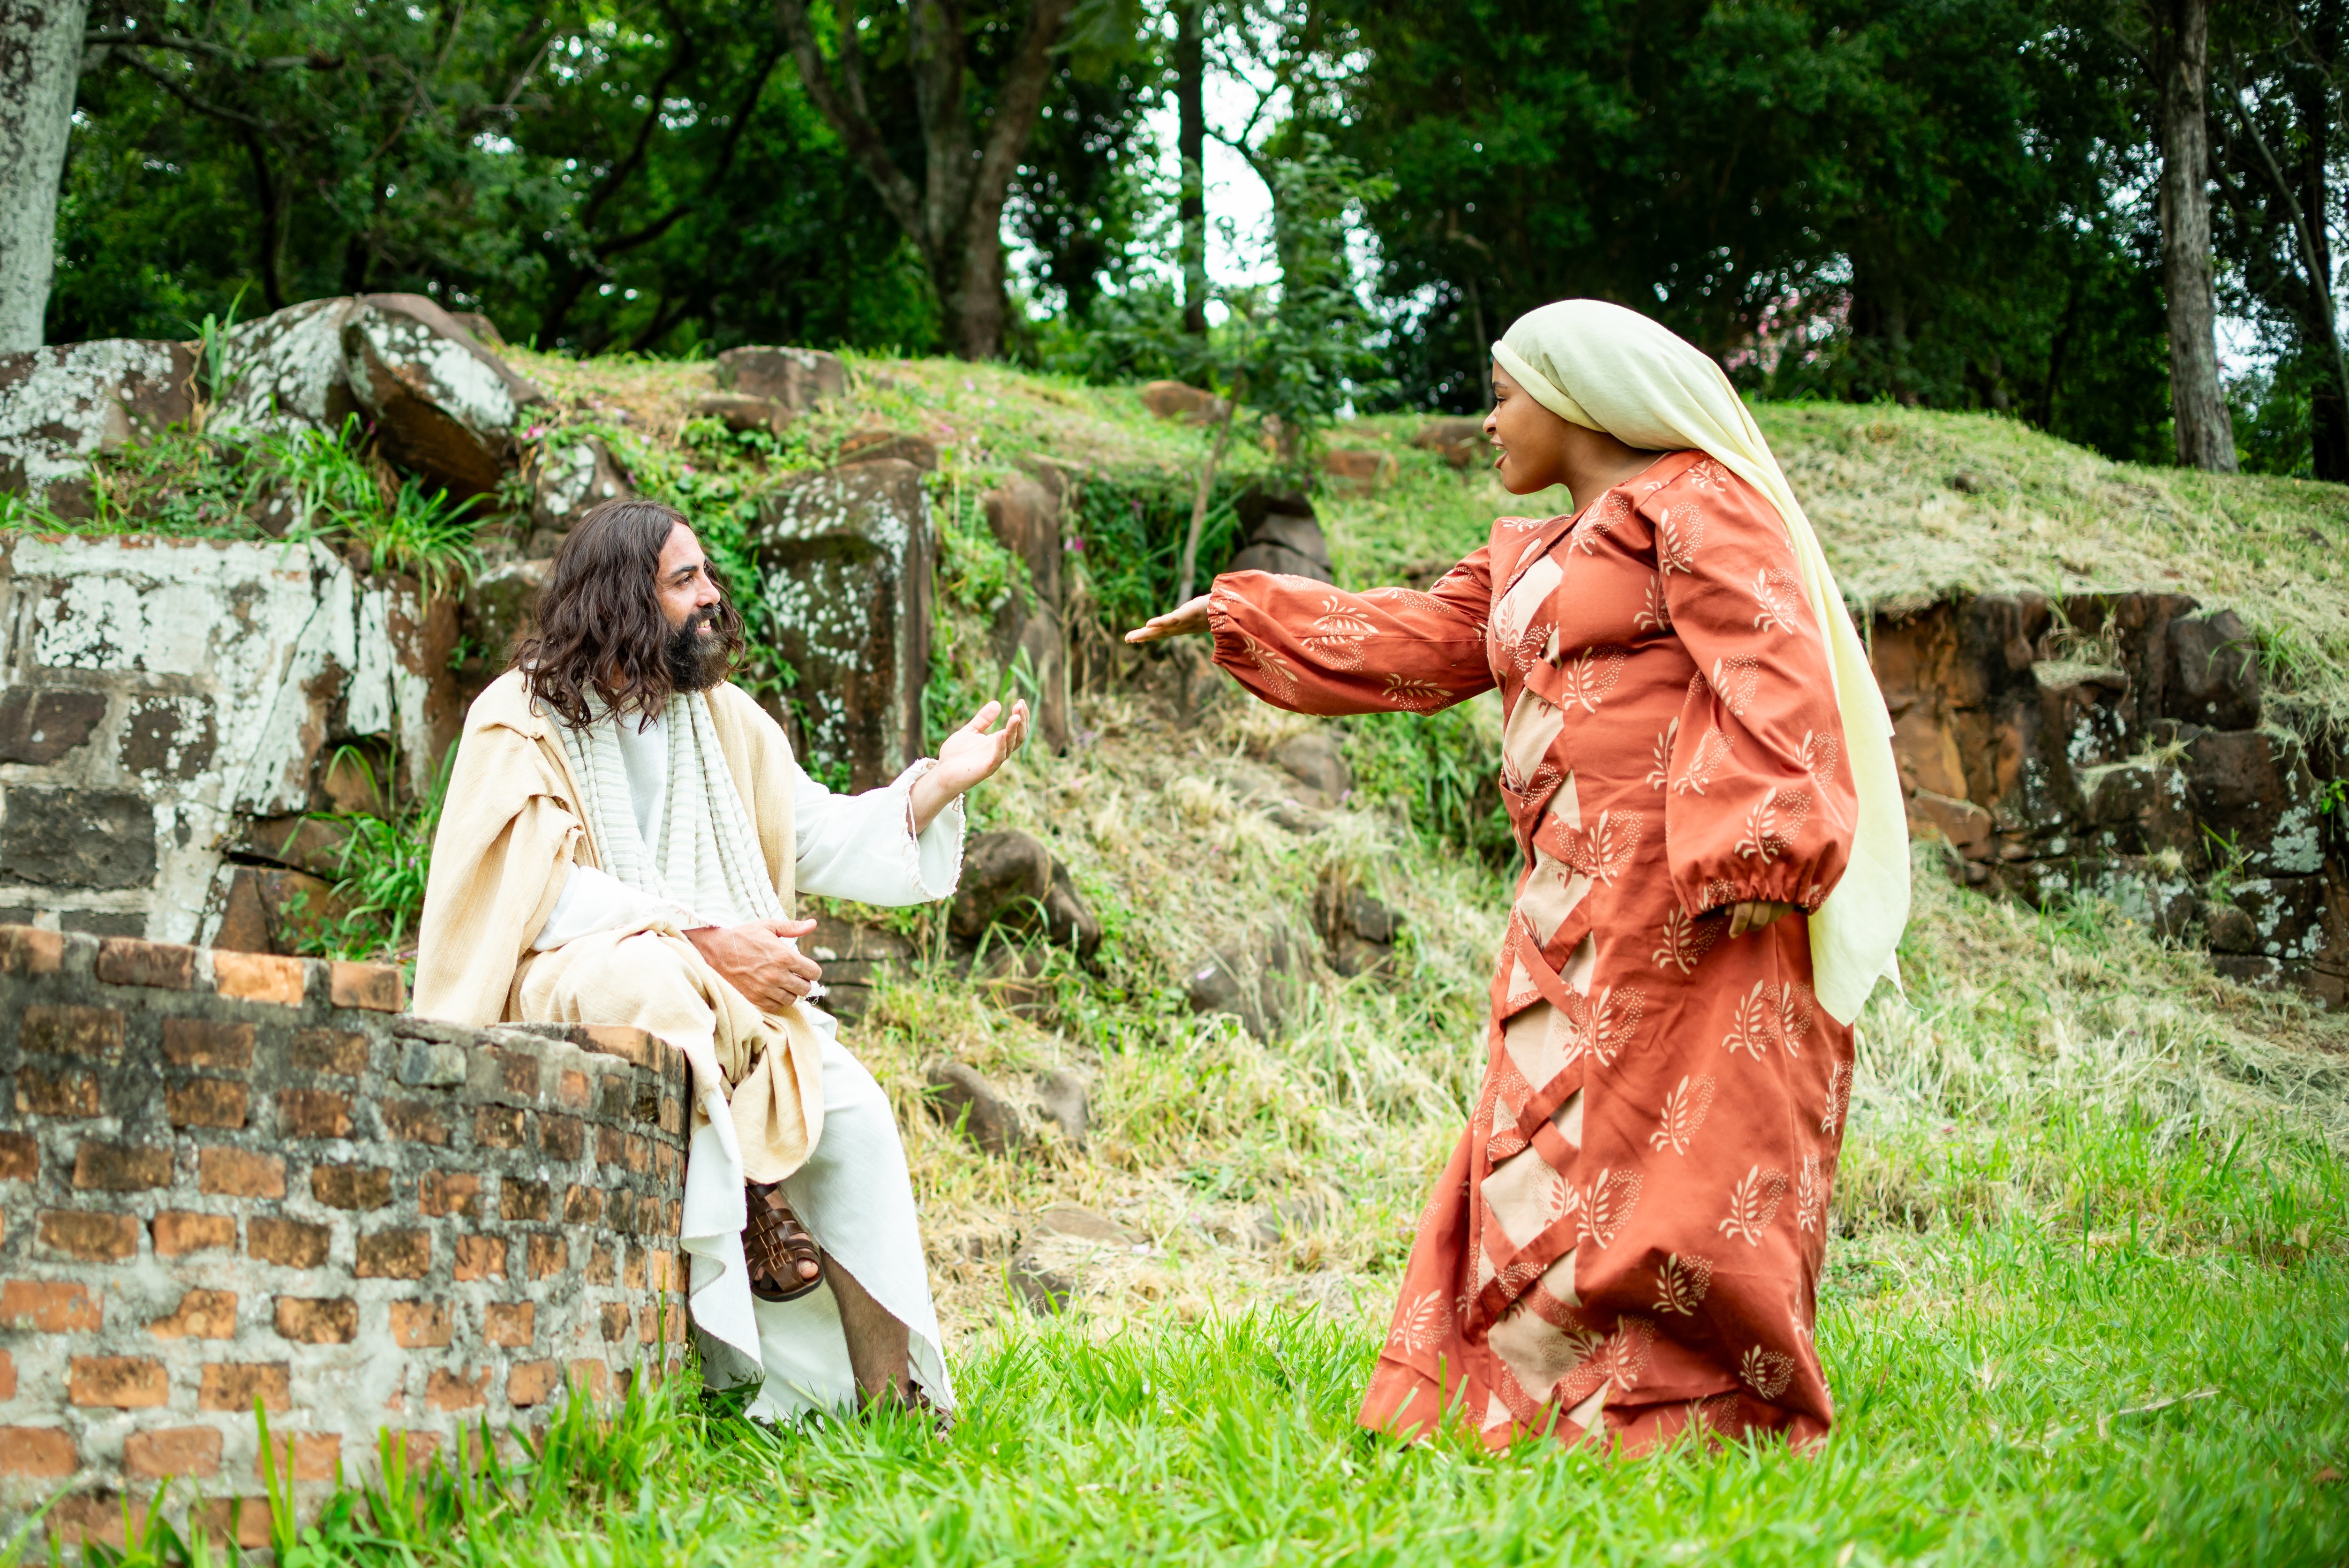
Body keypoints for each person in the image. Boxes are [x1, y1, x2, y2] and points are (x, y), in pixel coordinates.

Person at [1127, 299, 1908, 1452]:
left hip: (1693, 901)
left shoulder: (1699, 501)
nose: (1486, 421)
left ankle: (1692, 1413)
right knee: (1548, 1149)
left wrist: (1762, 841)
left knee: (1682, 1163)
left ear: (1579, 392)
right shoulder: (1529, 555)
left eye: (1501, 394)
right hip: (1566, 910)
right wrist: (1246, 609)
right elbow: (1414, 643)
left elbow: (1771, 663)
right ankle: (1542, 1400)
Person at [413, 497, 1028, 1422]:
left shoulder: (723, 719)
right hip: (568, 971)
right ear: (623, 596)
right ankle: (754, 1195)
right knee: (651, 978)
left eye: (706, 574)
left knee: (854, 1107)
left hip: (724, 998)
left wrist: (934, 784)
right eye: (684, 579)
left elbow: (811, 827)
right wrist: (702, 940)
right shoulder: (521, 715)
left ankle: (890, 1397)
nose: (710, 596)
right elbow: (533, 889)